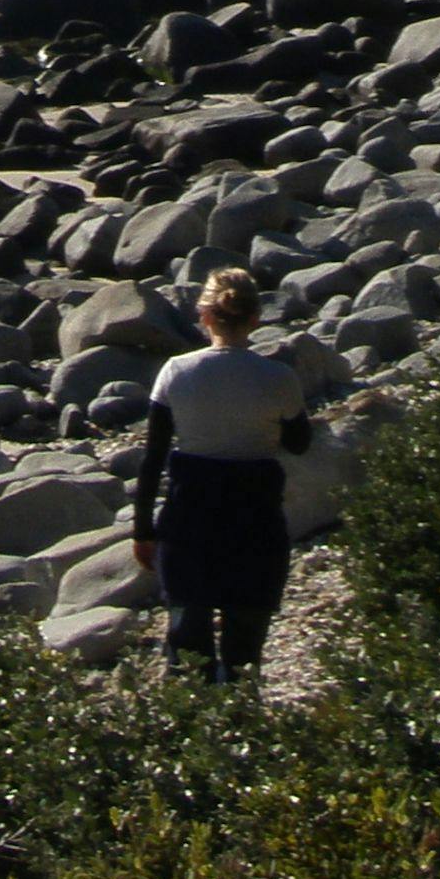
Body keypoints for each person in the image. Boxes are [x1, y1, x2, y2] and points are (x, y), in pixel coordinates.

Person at [128, 267, 310, 680]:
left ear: (205, 315)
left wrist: (142, 531)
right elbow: (299, 443)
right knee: (244, 651)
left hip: (190, 522)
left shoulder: (177, 371)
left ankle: (195, 732)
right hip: (255, 522)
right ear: (255, 319)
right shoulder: (279, 378)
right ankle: (243, 728)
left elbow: (152, 459)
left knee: (188, 648)